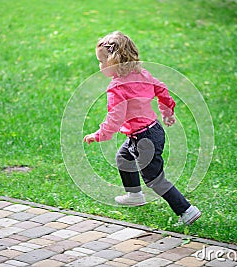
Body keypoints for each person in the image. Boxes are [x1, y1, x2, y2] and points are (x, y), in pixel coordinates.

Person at [83, 31, 201, 225]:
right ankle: (134, 195)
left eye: (102, 61)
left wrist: (99, 135)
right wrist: (167, 112)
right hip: (151, 131)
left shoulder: (117, 88)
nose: (100, 66)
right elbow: (161, 89)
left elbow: (115, 117)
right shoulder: (142, 74)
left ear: (114, 61)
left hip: (144, 138)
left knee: (155, 179)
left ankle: (186, 210)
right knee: (123, 157)